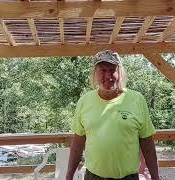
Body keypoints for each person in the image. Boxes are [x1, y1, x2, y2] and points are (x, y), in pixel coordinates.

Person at [66, 50, 159, 180]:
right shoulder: (84, 101)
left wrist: (155, 177)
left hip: (128, 177)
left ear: (120, 72)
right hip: (93, 177)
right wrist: (69, 175)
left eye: (112, 70)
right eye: (103, 70)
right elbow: (77, 145)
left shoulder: (137, 99)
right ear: (95, 73)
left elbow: (147, 144)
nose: (108, 76)